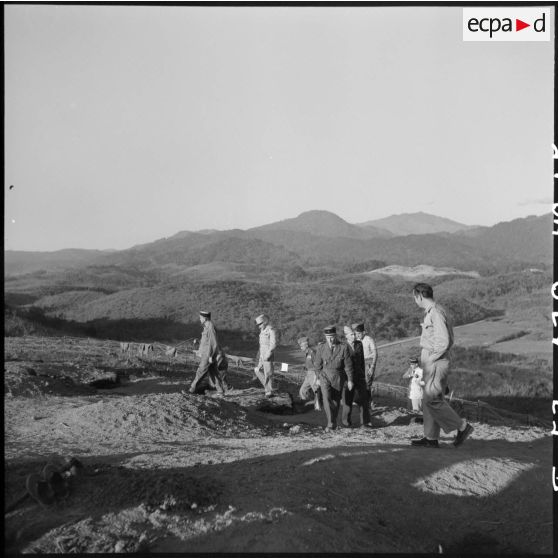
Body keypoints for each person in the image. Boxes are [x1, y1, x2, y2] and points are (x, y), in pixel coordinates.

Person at [411, 283, 473, 448]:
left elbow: (444, 341)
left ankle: (462, 426)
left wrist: (431, 359)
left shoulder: (436, 313)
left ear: (419, 296)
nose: (415, 300)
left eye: (414, 297)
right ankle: (431, 438)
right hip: (434, 361)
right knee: (428, 400)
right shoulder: (435, 311)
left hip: (435, 362)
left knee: (433, 400)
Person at [313, 325, 354, 432]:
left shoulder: (343, 347)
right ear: (325, 337)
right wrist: (317, 377)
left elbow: (348, 366)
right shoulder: (321, 348)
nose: (330, 339)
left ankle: (333, 422)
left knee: (335, 401)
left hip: (338, 377)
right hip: (325, 376)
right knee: (326, 398)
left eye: (332, 337)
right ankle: (330, 424)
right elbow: (317, 365)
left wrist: (350, 380)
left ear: (335, 336)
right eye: (328, 337)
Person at [342, 326, 373, 428]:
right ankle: (346, 422)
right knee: (348, 400)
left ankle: (365, 422)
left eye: (354, 334)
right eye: (351, 334)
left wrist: (364, 374)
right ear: (346, 336)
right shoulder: (342, 346)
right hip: (347, 377)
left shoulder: (359, 344)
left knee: (364, 399)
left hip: (359, 376)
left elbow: (362, 361)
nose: (354, 335)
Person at [189, 311, 225, 395]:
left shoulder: (210, 328)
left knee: (200, 371)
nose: (199, 319)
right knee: (214, 373)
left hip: (208, 355)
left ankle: (191, 390)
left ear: (205, 318)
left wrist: (210, 356)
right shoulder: (207, 327)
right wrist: (198, 343)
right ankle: (220, 391)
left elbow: (213, 343)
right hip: (208, 354)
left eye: (200, 318)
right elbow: (206, 342)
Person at [352, 323, 378, 408]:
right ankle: (365, 401)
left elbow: (375, 353)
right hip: (360, 363)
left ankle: (369, 402)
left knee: (367, 384)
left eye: (359, 333)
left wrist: (372, 366)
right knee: (360, 383)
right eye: (356, 333)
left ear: (363, 332)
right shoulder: (357, 341)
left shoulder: (369, 339)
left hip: (368, 362)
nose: (357, 335)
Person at [254, 314, 277, 398]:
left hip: (268, 354)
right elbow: (261, 345)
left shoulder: (271, 330)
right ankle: (268, 387)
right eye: (258, 324)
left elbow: (273, 344)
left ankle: (269, 391)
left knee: (268, 373)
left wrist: (268, 354)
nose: (259, 326)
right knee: (257, 370)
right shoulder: (262, 331)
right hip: (262, 354)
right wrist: (260, 356)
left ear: (264, 322)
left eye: (260, 324)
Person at [297, 336, 322, 411]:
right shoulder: (307, 353)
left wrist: (317, 376)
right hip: (308, 373)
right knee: (302, 390)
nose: (301, 348)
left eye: (301, 346)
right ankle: (306, 405)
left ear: (306, 345)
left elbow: (317, 364)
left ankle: (318, 406)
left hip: (313, 373)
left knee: (316, 390)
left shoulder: (312, 352)